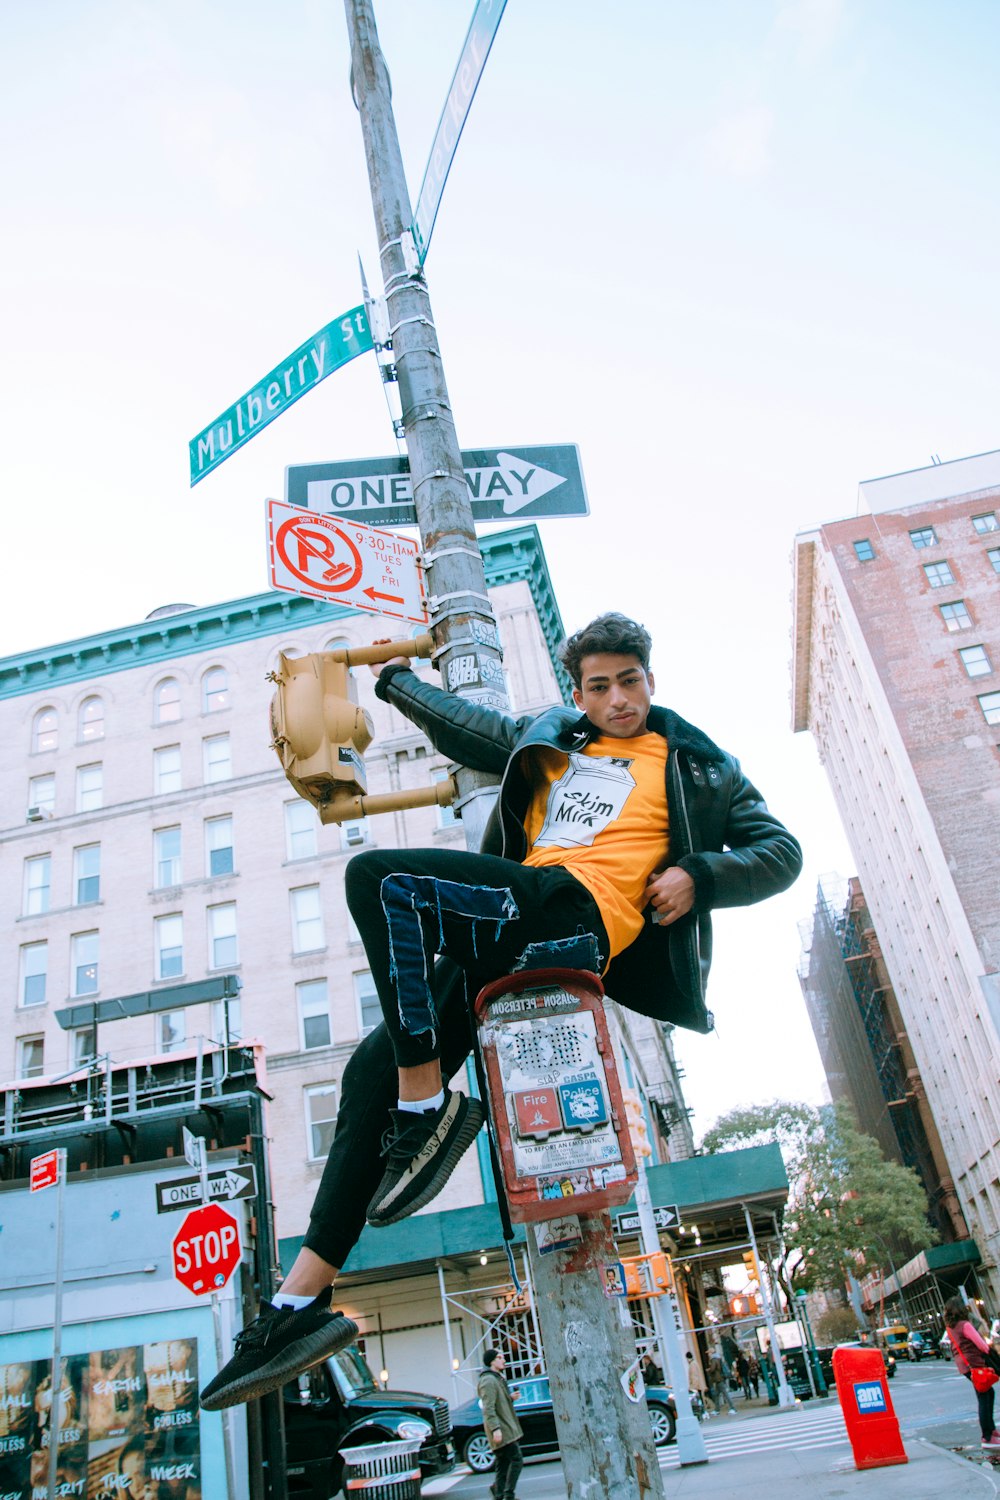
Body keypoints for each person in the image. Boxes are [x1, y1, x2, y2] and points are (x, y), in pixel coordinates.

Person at [200, 612, 802, 1410]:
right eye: (599, 686)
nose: (617, 698)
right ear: (579, 692)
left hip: (573, 916)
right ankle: (298, 1303)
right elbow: (474, 730)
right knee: (366, 1072)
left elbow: (780, 850)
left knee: (380, 881)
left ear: (650, 681)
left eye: (629, 681)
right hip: (513, 915)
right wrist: (393, 681)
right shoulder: (559, 741)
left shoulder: (698, 766)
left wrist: (700, 873)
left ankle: (427, 1106)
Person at [943, 1295, 1000, 1450]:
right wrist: (991, 1353)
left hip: (965, 1366)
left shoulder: (951, 1327)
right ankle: (987, 1436)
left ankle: (992, 1431)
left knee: (988, 1393)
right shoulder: (965, 1325)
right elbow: (982, 1345)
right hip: (975, 1364)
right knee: (984, 1397)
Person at [478, 1348, 523, 1500]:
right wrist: (495, 1429)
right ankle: (508, 1495)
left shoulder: (496, 1378)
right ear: (492, 1361)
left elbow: (496, 1402)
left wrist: (509, 1398)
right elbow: (488, 1408)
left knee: (503, 1465)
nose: (503, 1360)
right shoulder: (488, 1381)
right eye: (499, 1357)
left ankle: (499, 1494)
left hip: (504, 1428)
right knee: (516, 1459)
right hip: (501, 1429)